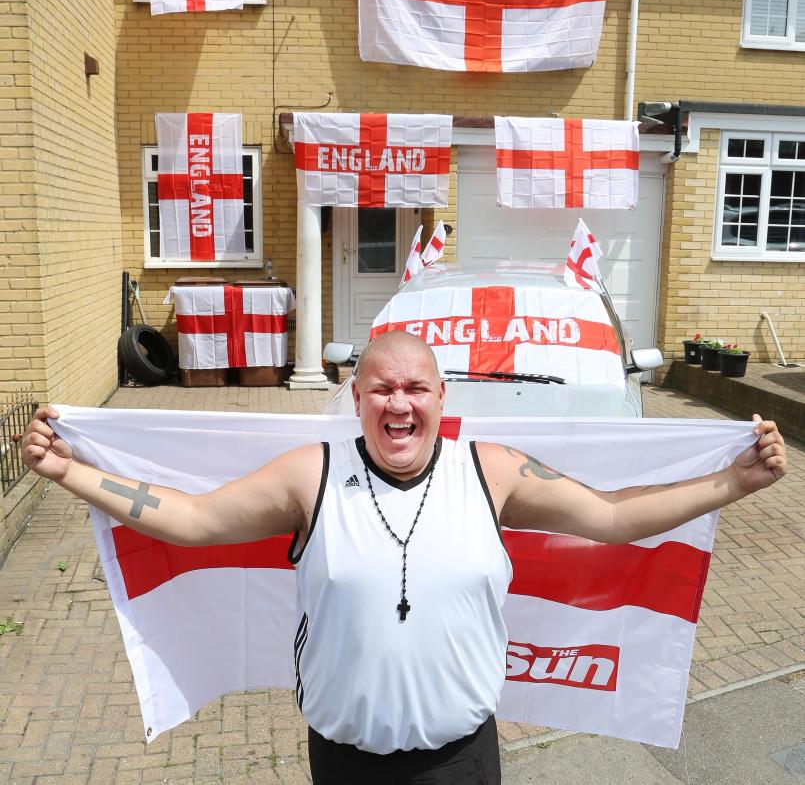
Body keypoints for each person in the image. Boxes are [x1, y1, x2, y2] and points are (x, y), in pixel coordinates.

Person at [21, 330, 787, 785]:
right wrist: (69, 472)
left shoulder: (491, 471)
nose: (398, 403)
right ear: (355, 397)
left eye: (414, 387)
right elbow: (187, 519)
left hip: (460, 761)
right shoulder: (308, 474)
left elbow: (615, 517)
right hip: (345, 762)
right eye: (380, 387)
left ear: (440, 396)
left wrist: (735, 481)